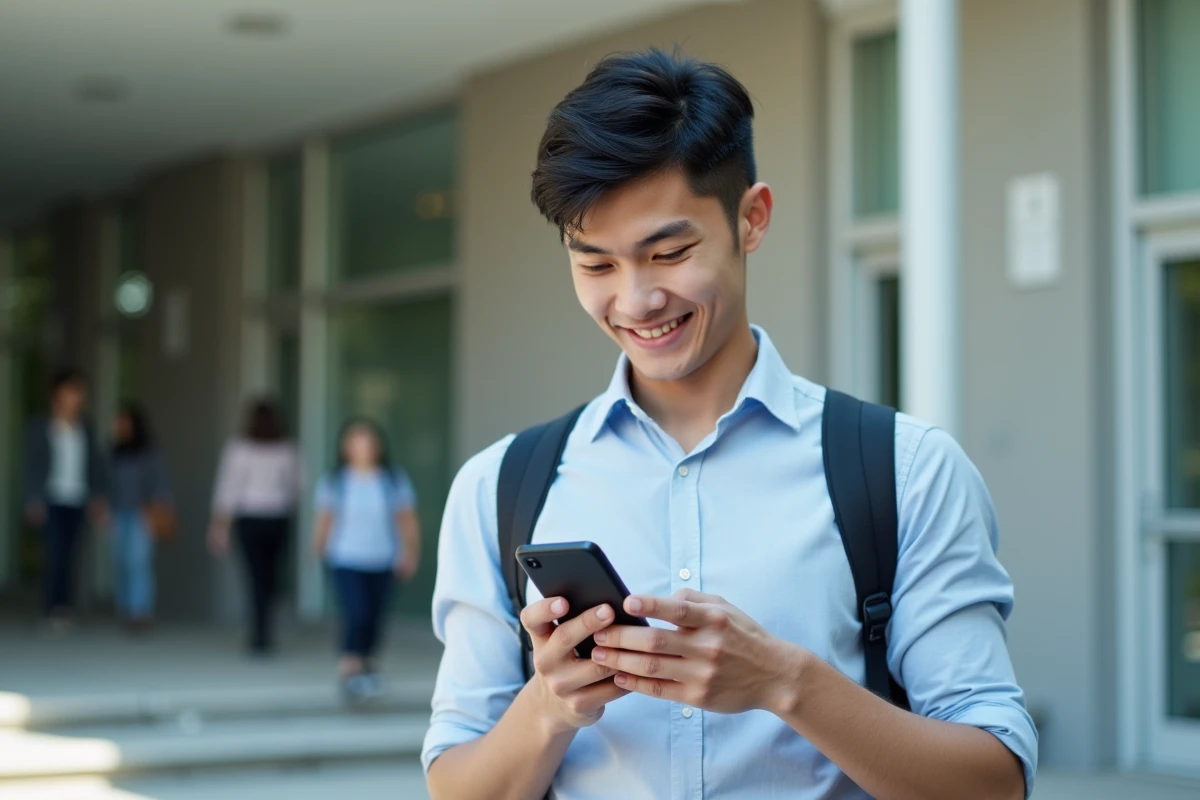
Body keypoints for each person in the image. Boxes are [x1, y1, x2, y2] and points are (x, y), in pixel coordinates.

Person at [423, 49, 1037, 800]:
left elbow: (995, 784)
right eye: (597, 265)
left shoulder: (907, 471)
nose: (637, 300)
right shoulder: (497, 486)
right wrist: (549, 707)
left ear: (753, 218)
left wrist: (788, 684)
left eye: (670, 252)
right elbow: (456, 786)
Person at [311, 418, 421, 701]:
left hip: (383, 558)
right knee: (356, 612)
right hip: (345, 558)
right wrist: (319, 551)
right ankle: (349, 666)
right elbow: (324, 521)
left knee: (374, 615)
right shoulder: (336, 481)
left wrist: (410, 552)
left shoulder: (392, 480)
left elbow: (406, 520)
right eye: (356, 440)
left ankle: (368, 664)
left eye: (368, 441)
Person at [209, 398, 302, 656]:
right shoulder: (286, 449)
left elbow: (227, 489)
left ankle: (259, 633)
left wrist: (219, 526)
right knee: (270, 578)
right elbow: (296, 487)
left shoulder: (240, 449)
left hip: (249, 518)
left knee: (255, 578)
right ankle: (265, 632)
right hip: (277, 518)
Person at [22, 368, 107, 631]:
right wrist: (32, 499)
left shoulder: (86, 428)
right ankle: (53, 607)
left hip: (77, 498)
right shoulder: (41, 427)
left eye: (78, 391)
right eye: (70, 391)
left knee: (71, 553)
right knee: (55, 552)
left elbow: (95, 465)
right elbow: (31, 465)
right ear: (57, 394)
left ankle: (65, 606)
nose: (75, 397)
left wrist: (97, 497)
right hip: (51, 497)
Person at [107, 402, 172, 632]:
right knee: (121, 563)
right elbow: (109, 485)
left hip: (142, 514)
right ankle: (125, 609)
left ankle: (141, 610)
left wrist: (158, 508)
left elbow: (160, 483)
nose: (119, 426)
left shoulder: (149, 452)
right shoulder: (114, 451)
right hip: (118, 514)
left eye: (123, 422)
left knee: (139, 563)